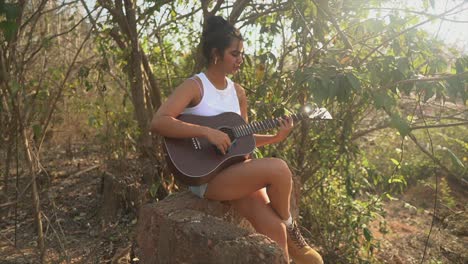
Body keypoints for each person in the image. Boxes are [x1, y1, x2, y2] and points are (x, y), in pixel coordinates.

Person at [151, 15, 323, 264]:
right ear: (215, 54)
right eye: (234, 53)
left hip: (236, 171)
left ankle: (287, 237)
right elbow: (159, 122)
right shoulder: (195, 86)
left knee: (275, 232)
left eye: (242, 53)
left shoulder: (238, 92)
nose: (240, 59)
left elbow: (242, 139)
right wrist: (206, 132)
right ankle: (293, 228)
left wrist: (276, 136)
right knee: (279, 168)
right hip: (206, 177)